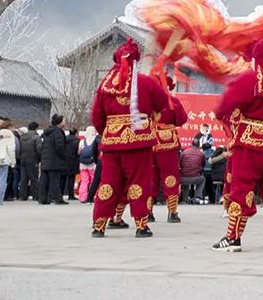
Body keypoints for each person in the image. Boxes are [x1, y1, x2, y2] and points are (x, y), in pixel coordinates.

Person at [211, 38, 263, 252]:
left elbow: (224, 106)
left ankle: (233, 237)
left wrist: (227, 117)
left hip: (249, 143)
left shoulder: (248, 79)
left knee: (242, 187)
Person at [89, 38, 170, 238]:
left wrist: (109, 132)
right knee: (140, 182)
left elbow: (96, 116)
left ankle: (99, 225)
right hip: (138, 141)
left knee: (108, 182)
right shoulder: (145, 82)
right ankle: (142, 225)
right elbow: (162, 103)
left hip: (112, 143)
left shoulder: (105, 84)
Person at [151, 72, 188, 223]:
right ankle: (172, 212)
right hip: (168, 143)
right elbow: (182, 119)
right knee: (170, 176)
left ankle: (147, 212)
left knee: (149, 177)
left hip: (149, 141)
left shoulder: (146, 102)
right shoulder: (171, 101)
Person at [39, 114, 67, 205]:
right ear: (59, 122)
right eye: (63, 120)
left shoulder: (46, 133)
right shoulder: (57, 132)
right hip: (54, 160)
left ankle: (43, 198)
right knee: (55, 180)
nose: (65, 122)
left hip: (45, 159)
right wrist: (63, 156)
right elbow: (59, 147)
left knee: (44, 180)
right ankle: (57, 198)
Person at [18, 121, 42, 201]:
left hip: (23, 160)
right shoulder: (36, 137)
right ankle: (36, 195)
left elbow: (19, 149)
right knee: (34, 178)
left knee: (23, 179)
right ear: (36, 129)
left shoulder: (22, 137)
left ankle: (22, 196)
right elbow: (39, 150)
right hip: (33, 160)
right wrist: (39, 158)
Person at [180, 137, 207, 203]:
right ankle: (197, 197)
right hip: (195, 177)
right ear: (199, 145)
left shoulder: (184, 152)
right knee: (202, 179)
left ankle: (185, 199)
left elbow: (180, 163)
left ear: (191, 144)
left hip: (183, 178)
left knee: (185, 180)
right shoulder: (201, 153)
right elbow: (203, 165)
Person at [77, 127, 100, 203]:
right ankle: (93, 196)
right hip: (92, 164)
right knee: (93, 180)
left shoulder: (82, 141)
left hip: (83, 165)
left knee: (84, 181)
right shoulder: (95, 140)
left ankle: (83, 197)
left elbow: (79, 152)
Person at [63, 127, 80, 200]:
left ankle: (61, 193)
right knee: (71, 179)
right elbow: (78, 152)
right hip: (73, 161)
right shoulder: (77, 141)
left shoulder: (64, 139)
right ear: (76, 133)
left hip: (64, 160)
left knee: (63, 178)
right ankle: (70, 195)